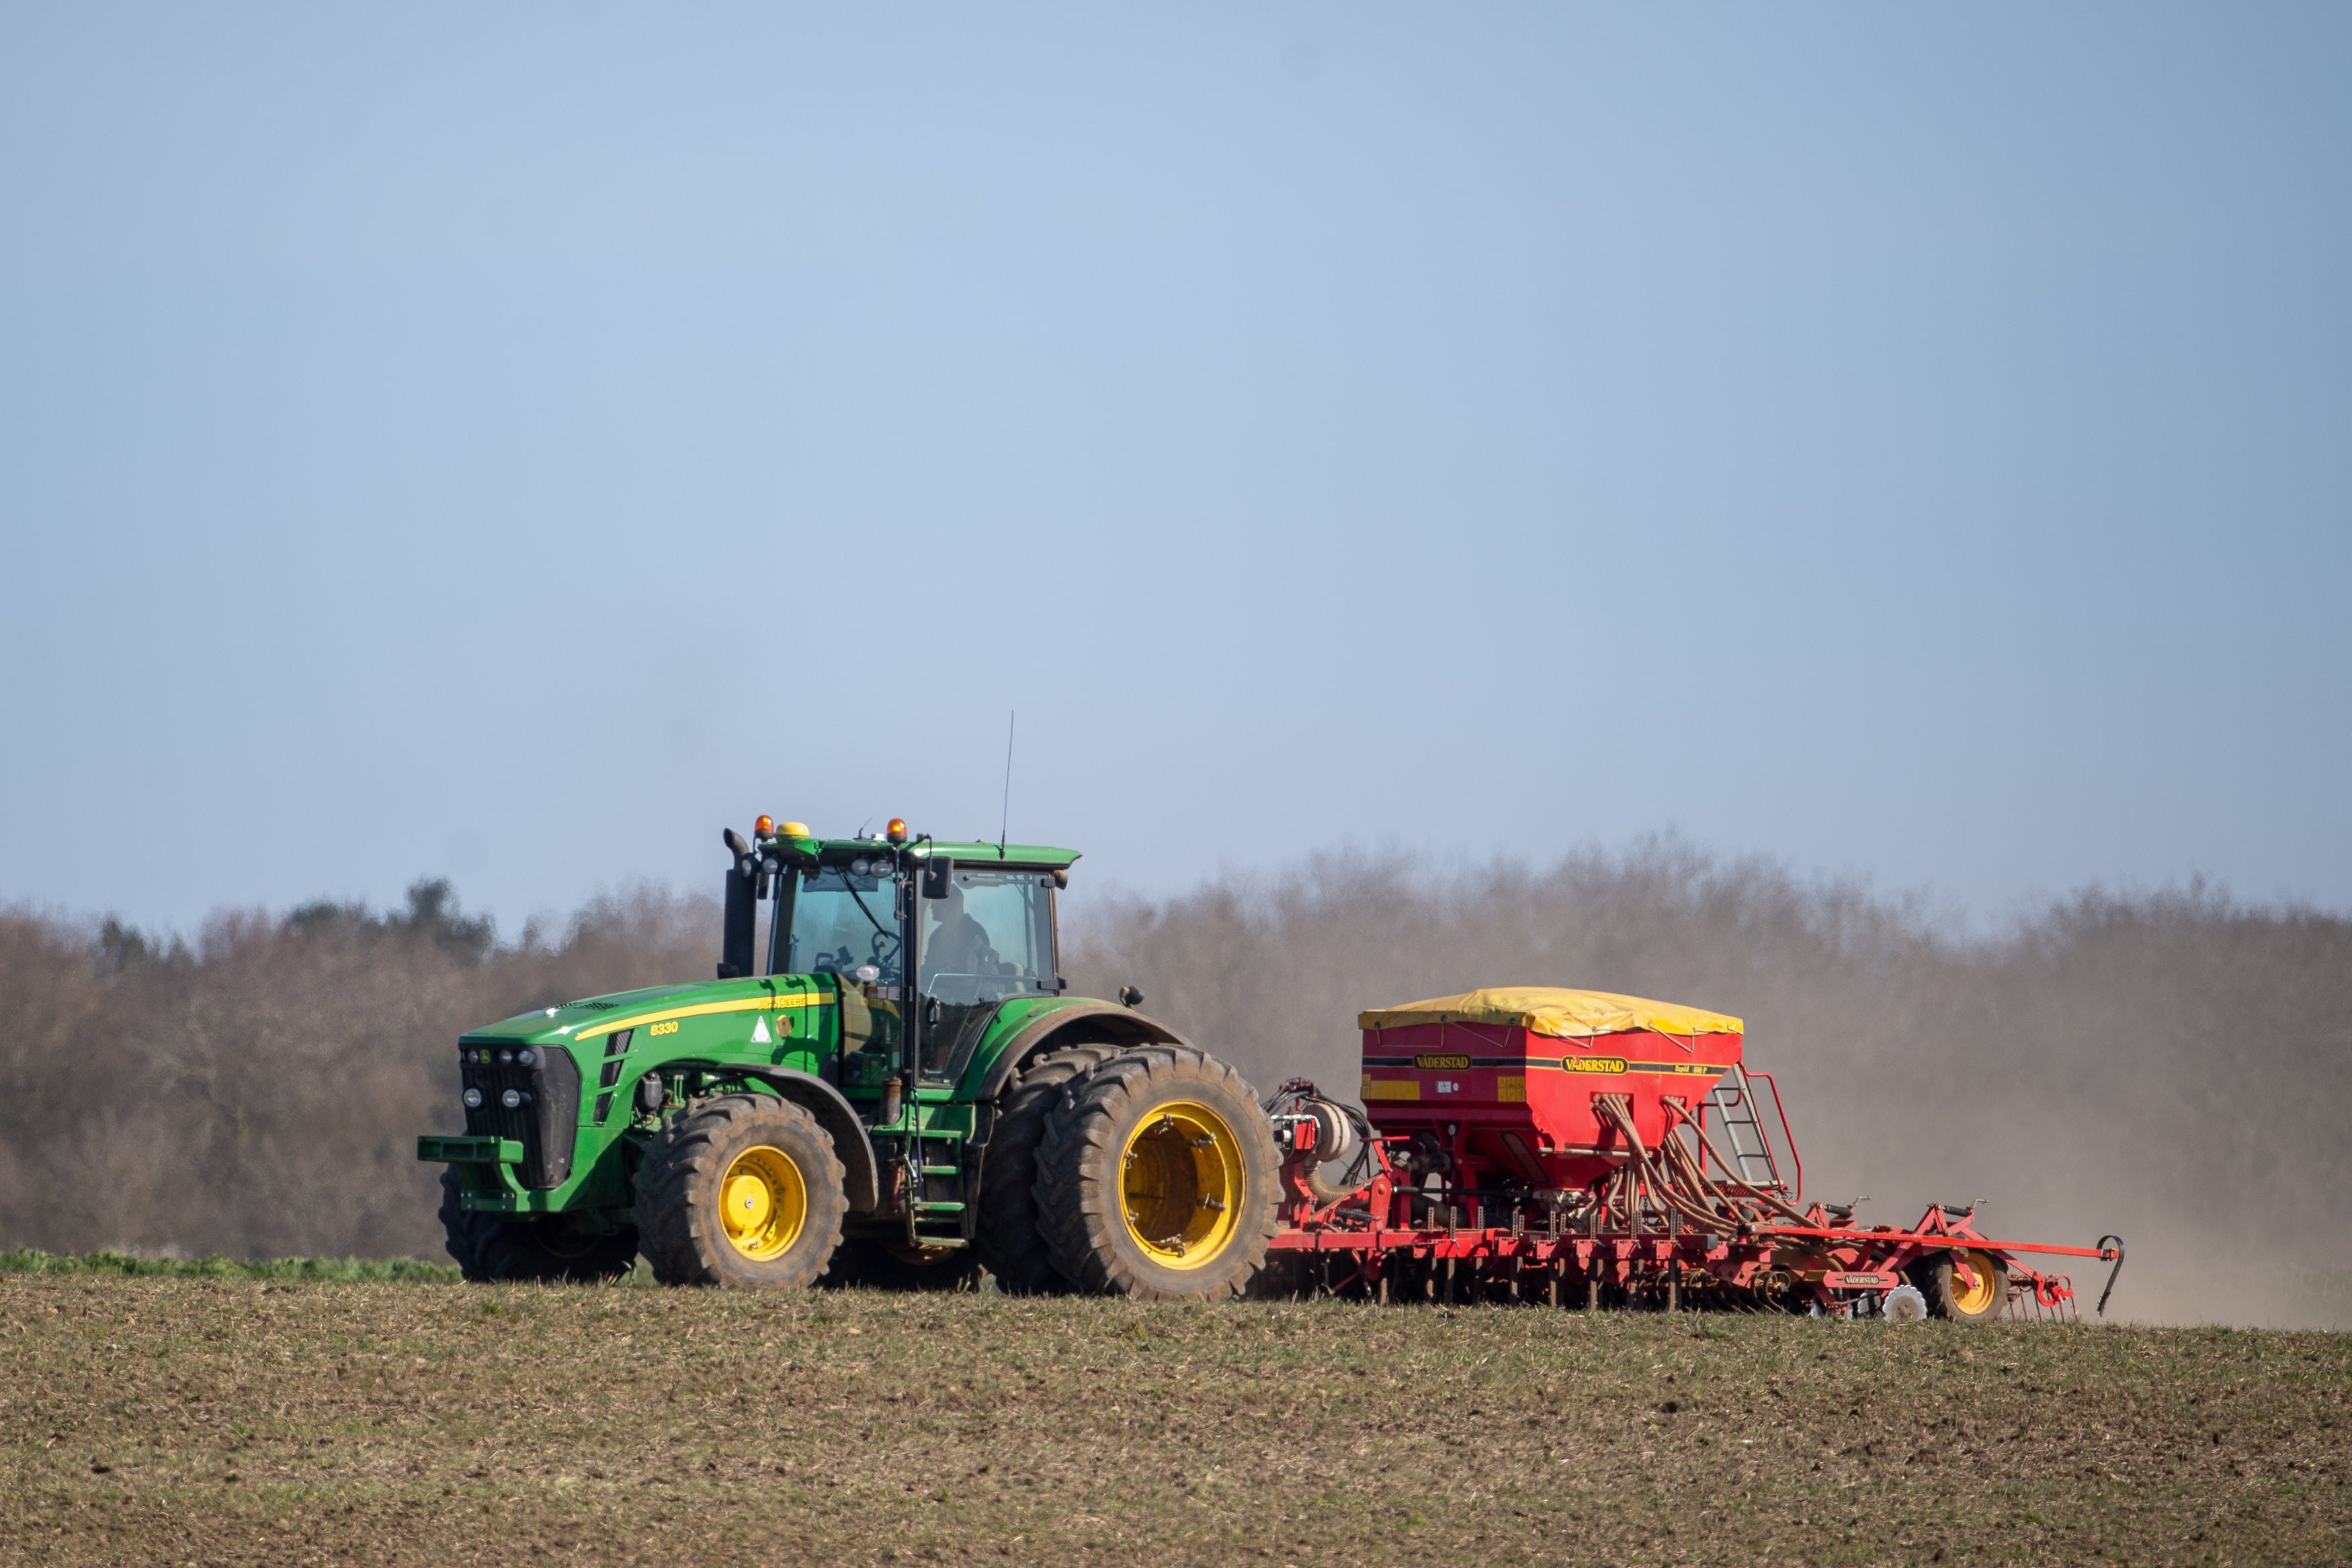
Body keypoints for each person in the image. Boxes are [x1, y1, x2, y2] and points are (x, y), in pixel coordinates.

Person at [923, 881, 994, 982]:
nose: (931, 907)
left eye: (936, 902)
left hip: (963, 995)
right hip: (936, 991)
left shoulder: (973, 933)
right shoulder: (936, 936)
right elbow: (929, 967)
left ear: (955, 905)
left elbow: (971, 976)